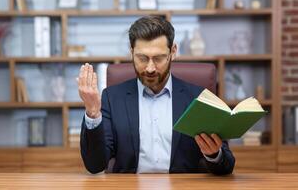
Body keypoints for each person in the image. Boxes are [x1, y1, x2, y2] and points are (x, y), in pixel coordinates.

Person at [77, 16, 235, 174]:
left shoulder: (199, 98)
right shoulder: (112, 98)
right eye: (142, 58)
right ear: (131, 52)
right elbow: (95, 165)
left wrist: (214, 154)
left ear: (173, 52)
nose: (150, 68)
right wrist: (92, 113)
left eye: (158, 58)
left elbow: (227, 165)